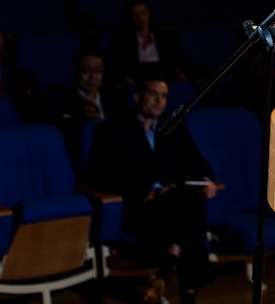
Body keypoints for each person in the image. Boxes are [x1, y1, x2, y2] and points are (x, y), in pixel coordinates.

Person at [82, 72, 219, 304]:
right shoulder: (111, 130)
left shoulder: (172, 126)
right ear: (137, 97)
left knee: (190, 198)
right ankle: (187, 292)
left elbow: (197, 161)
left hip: (172, 206)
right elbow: (102, 177)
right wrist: (149, 191)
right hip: (138, 207)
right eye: (152, 94)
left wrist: (207, 180)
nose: (159, 101)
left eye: (164, 96)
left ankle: (169, 267)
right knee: (191, 210)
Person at [32, 49, 126, 170]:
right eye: (86, 70)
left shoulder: (115, 100)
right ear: (74, 71)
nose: (92, 77)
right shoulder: (59, 101)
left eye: (98, 71)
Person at [106, 0, 192, 90]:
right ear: (130, 18)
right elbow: (117, 65)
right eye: (136, 15)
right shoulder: (123, 41)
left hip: (164, 81)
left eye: (143, 13)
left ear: (149, 13)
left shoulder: (164, 38)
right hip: (138, 84)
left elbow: (180, 59)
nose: (140, 18)